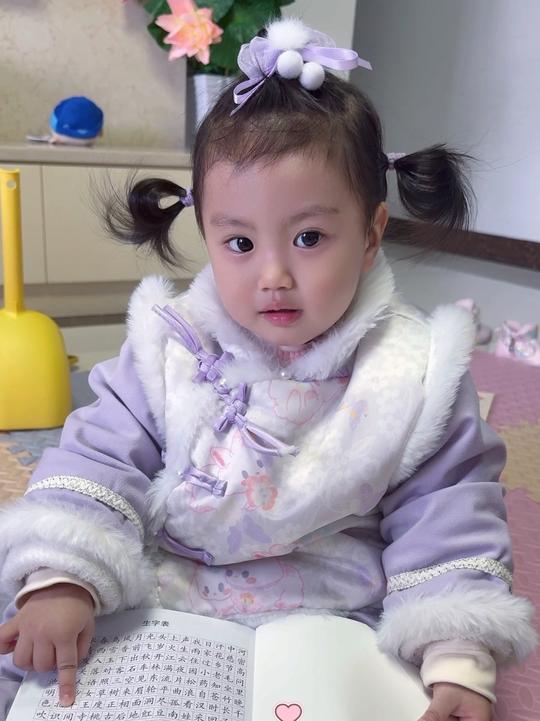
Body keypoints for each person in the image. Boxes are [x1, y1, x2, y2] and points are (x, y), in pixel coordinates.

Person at [0, 17, 536, 721]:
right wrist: (63, 578)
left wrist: (459, 656)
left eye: (309, 237)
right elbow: (98, 457)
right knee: (30, 651)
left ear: (371, 233)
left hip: (336, 619)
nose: (274, 275)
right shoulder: (171, 345)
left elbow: (451, 510)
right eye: (241, 243)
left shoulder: (413, 368)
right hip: (169, 595)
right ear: (206, 232)